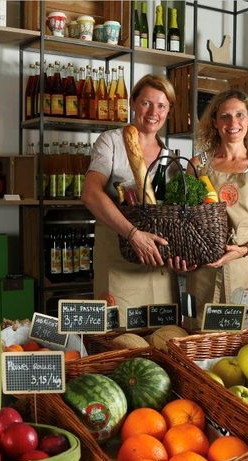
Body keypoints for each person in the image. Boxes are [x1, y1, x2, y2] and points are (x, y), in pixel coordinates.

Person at [82, 74, 190, 314]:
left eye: (162, 106)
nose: (154, 112)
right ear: (133, 103)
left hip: (158, 266)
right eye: (146, 103)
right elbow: (90, 193)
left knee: (161, 337)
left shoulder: (170, 158)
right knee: (119, 339)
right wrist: (132, 234)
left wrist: (180, 254)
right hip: (117, 258)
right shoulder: (110, 142)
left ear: (169, 110)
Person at [184, 89, 248, 326]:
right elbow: (184, 220)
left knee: (242, 337)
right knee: (199, 335)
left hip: (246, 268)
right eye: (225, 116)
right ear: (214, 122)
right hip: (203, 269)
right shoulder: (198, 165)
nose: (233, 123)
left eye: (240, 115)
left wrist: (244, 249)